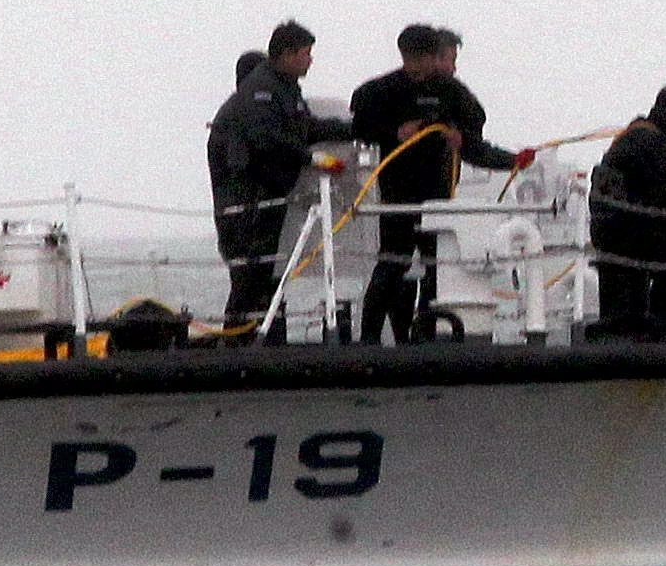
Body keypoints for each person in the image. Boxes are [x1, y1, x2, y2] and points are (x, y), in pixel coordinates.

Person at [348, 25, 534, 345]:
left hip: (438, 197)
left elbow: (473, 143)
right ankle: (370, 340)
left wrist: (511, 160)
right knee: (393, 263)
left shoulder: (452, 94)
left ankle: (427, 334)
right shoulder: (382, 91)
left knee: (437, 269)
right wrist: (394, 133)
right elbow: (360, 125)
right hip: (398, 195)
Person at [206, 20, 352, 341]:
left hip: (268, 199)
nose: (310, 60)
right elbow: (265, 139)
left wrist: (356, 128)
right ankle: (237, 348)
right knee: (248, 277)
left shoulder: (284, 90)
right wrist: (310, 158)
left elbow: (307, 128)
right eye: (305, 53)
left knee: (265, 275)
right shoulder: (260, 91)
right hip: (246, 203)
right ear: (286, 54)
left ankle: (262, 340)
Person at [588, 82, 666, 341]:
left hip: (613, 231)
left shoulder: (636, 132)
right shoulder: (655, 142)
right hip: (628, 233)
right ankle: (654, 325)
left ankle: (645, 322)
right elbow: (663, 204)